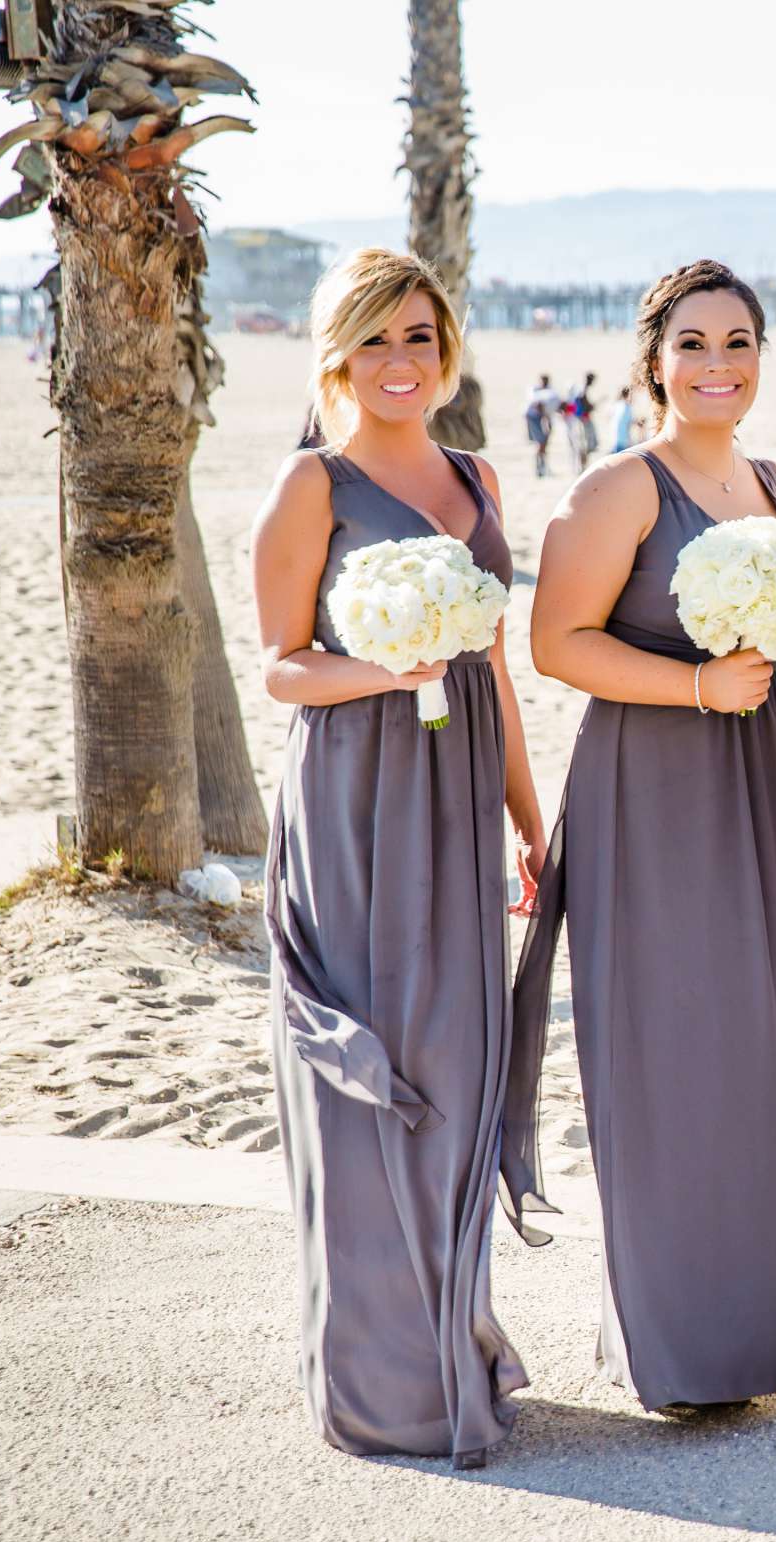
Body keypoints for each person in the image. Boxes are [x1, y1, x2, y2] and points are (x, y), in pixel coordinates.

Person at [511, 260, 776, 1410]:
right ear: (652, 359)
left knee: (775, 1041)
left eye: (740, 342)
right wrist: (696, 690)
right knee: (678, 1050)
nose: (718, 365)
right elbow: (556, 642)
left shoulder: (771, 481)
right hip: (657, 787)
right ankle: (691, 1352)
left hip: (771, 772)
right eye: (694, 344)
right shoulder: (620, 488)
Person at [250, 248, 544, 1467]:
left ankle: (456, 1340)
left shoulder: (474, 473)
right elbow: (278, 666)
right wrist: (390, 667)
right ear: (336, 354)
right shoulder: (311, 482)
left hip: (463, 790)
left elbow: (498, 668)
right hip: (357, 805)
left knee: (458, 1069)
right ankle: (387, 1385)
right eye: (375, 339)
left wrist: (530, 814)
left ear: (447, 350)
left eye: (419, 337)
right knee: (374, 1076)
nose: (398, 362)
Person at [525, 372, 560, 475]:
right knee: (541, 443)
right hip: (535, 418)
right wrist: (545, 421)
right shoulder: (547, 395)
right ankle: (540, 468)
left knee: (543, 444)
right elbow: (539, 406)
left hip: (537, 417)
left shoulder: (550, 393)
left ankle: (542, 467)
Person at [567, 370, 599, 469]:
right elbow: (583, 404)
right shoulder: (583, 390)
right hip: (583, 420)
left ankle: (583, 466)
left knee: (584, 444)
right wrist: (590, 407)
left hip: (580, 419)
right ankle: (583, 466)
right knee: (585, 444)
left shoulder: (581, 389)